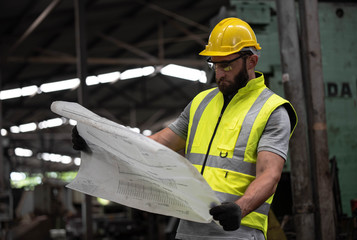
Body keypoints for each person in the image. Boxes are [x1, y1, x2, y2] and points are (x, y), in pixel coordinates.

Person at [72, 17, 297, 240]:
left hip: (237, 230)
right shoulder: (202, 103)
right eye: (215, 64)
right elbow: (157, 144)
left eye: (226, 65)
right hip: (190, 228)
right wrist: (101, 141)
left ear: (251, 61)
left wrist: (240, 208)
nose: (219, 74)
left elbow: (270, 174)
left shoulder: (273, 110)